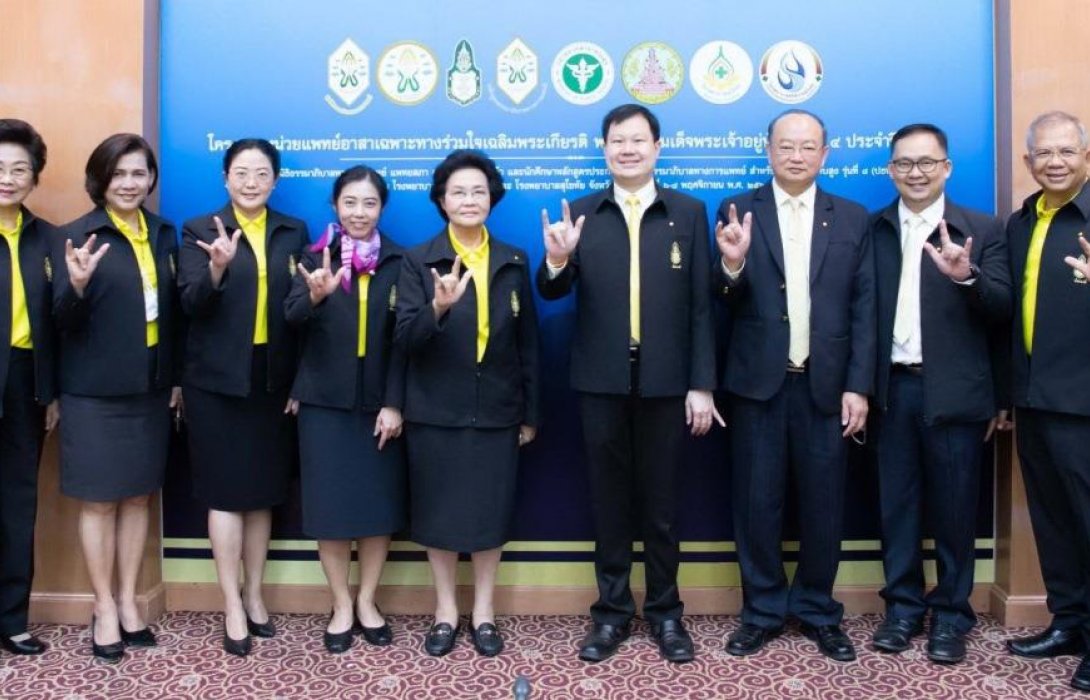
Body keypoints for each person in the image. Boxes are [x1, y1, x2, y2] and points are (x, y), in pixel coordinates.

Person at [537, 103, 718, 664]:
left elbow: (701, 310)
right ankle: (612, 614)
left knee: (662, 508)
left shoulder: (688, 212)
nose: (629, 149)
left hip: (668, 383)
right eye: (618, 140)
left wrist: (702, 384)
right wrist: (557, 259)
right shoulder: (583, 212)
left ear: (658, 147)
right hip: (601, 382)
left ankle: (666, 615)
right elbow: (550, 292)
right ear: (605, 148)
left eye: (639, 140)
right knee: (608, 505)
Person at [715, 109, 874, 662]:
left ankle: (815, 609)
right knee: (756, 503)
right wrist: (731, 266)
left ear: (826, 154)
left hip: (827, 388)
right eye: (786, 146)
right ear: (768, 150)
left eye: (809, 147)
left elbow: (864, 309)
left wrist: (859, 386)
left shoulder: (854, 218)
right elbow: (722, 302)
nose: (797, 155)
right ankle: (761, 610)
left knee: (824, 505)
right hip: (759, 385)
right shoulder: (737, 210)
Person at [869, 123, 1011, 664]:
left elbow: (1000, 310)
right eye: (904, 163)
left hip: (955, 392)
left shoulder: (981, 228)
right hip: (893, 389)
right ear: (890, 170)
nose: (916, 173)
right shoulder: (875, 227)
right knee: (897, 507)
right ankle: (903, 608)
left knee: (954, 511)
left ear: (947, 168)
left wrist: (966, 276)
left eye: (927, 162)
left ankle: (952, 615)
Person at [396, 149, 539, 658]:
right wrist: (438, 306)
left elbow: (529, 346)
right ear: (441, 199)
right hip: (435, 409)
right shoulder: (417, 260)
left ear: (493, 197)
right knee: (436, 514)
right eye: (458, 191)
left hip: (498, 410)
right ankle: (444, 611)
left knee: (489, 515)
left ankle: (483, 611)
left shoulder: (514, 260)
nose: (469, 199)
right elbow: (406, 340)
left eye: (479, 190)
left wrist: (529, 414)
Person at [53, 133, 181, 662]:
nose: (130, 183)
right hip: (93, 394)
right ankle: (103, 606)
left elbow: (175, 316)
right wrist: (77, 286)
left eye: (139, 173)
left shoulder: (164, 234)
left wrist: (173, 378)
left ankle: (130, 601)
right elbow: (58, 321)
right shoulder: (74, 237)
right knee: (100, 501)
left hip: (150, 390)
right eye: (119, 173)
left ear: (151, 179)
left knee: (136, 497)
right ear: (100, 179)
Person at [178, 138, 308, 657]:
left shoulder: (292, 231)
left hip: (272, 379)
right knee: (225, 494)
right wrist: (216, 268)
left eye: (261, 173)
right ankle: (230, 603)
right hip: (215, 381)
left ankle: (255, 595)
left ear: (275, 181)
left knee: (262, 493)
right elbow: (190, 302)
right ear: (225, 178)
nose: (251, 182)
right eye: (241, 173)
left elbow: (300, 309)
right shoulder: (198, 230)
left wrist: (299, 378)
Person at [284, 166, 407, 654]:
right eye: (350, 202)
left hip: (379, 405)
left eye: (369, 203)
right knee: (330, 513)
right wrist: (313, 296)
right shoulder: (311, 256)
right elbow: (289, 320)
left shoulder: (401, 260)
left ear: (382, 208)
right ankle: (339, 604)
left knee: (377, 512)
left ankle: (368, 602)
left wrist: (395, 403)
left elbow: (405, 342)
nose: (359, 212)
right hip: (324, 402)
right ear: (335, 206)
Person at [1002, 110, 1090, 693]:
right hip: (1033, 400)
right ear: (1028, 161)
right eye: (1044, 153)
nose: (1054, 162)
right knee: (1055, 523)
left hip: (1084, 402)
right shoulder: (1021, 221)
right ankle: (1071, 622)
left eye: (1066, 151)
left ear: (1085, 155)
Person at [0, 119, 58, 656]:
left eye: (19, 168)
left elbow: (58, 323)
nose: (8, 178)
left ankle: (12, 618)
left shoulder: (47, 239)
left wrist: (51, 391)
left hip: (24, 383)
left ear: (34, 177)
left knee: (18, 501)